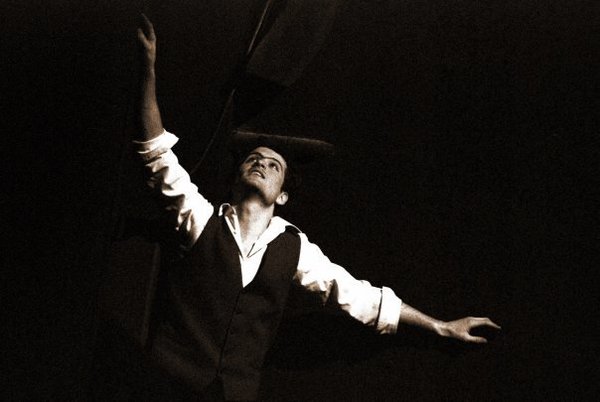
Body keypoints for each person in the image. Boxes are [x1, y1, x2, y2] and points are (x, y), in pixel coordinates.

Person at [133, 15, 500, 401]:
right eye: (253, 159)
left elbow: (362, 299)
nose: (262, 164)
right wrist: (148, 68)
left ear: (283, 196)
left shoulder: (295, 249)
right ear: (236, 177)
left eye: (274, 166)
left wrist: (440, 326)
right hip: (165, 384)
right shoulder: (200, 219)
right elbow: (156, 153)